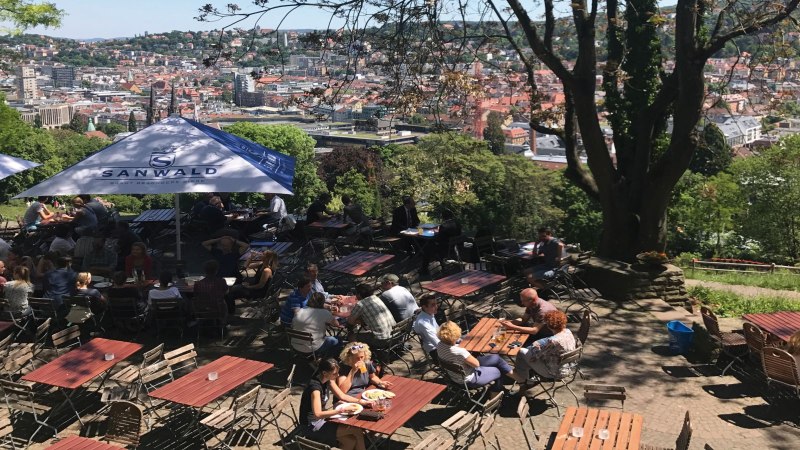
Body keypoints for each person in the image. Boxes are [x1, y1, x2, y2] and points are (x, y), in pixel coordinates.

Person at [298, 358, 370, 450]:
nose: (338, 375)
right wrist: (340, 411)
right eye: (335, 373)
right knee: (357, 430)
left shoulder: (328, 379)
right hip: (311, 425)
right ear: (324, 373)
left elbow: (342, 396)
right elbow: (318, 414)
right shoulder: (315, 389)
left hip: (322, 420)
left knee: (350, 441)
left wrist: (361, 401)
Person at [436, 321, 516, 391]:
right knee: (498, 370)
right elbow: (476, 364)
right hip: (470, 380)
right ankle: (496, 391)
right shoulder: (460, 352)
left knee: (495, 358)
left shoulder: (439, 345)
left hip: (455, 376)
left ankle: (515, 377)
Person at [513, 310, 577, 382]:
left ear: (548, 326)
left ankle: (523, 380)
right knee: (526, 353)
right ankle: (527, 376)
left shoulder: (553, 341)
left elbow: (535, 357)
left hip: (554, 372)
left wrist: (534, 346)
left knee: (521, 351)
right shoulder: (568, 331)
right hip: (568, 367)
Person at [292, 292, 341, 357]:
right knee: (338, 340)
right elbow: (336, 324)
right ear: (323, 302)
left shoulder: (300, 310)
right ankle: (327, 360)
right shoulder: (324, 313)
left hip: (295, 346)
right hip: (312, 349)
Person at [422, 209, 462, 274]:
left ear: (443, 217)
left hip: (444, 248)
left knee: (427, 248)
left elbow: (438, 239)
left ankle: (424, 269)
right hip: (454, 246)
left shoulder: (443, 226)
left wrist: (434, 234)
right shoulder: (457, 224)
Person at [192, 260, 229, 326]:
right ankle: (223, 322)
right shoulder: (221, 281)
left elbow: (195, 295)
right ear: (216, 270)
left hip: (202, 310)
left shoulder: (198, 284)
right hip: (218, 309)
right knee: (224, 301)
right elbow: (226, 292)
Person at [412, 294, 440, 361]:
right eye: (433, 305)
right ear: (424, 307)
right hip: (436, 351)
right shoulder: (423, 323)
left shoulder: (429, 313)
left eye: (436, 304)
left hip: (442, 344)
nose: (436, 307)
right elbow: (437, 343)